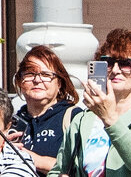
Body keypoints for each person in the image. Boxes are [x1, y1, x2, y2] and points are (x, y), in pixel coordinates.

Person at [50, 28, 131, 177]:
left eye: (126, 63)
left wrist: (110, 119)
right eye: (108, 62)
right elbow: (57, 170)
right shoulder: (83, 120)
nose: (115, 70)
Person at [10, 46, 82, 174]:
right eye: (30, 74)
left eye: (46, 75)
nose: (37, 80)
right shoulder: (13, 121)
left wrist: (27, 158)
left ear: (59, 83)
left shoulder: (74, 117)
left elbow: (80, 165)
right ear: (20, 81)